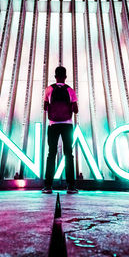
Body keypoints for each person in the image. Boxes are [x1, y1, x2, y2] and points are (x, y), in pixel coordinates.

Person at [42, 66, 79, 194]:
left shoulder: (49, 89)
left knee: (51, 154)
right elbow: (75, 110)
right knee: (68, 154)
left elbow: (45, 107)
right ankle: (71, 186)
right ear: (65, 76)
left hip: (53, 125)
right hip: (67, 125)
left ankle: (48, 186)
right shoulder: (70, 90)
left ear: (55, 76)